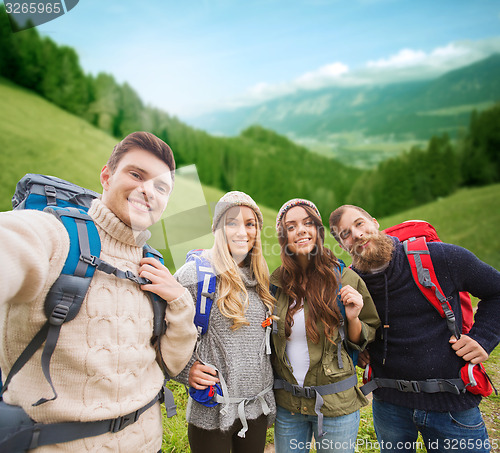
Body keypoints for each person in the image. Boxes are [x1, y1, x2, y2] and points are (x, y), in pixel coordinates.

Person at [0, 131, 198, 452]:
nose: (148, 190)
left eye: (161, 187)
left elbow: (173, 363)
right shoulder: (55, 234)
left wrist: (179, 300)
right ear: (106, 176)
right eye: (136, 174)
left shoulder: (153, 264)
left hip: (148, 443)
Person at [329, 204, 500, 453]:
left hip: (451, 404)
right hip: (389, 406)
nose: (356, 235)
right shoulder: (352, 283)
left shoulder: (439, 258)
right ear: (343, 246)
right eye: (345, 234)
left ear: (374, 223)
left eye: (359, 224)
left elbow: (496, 290)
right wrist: (361, 348)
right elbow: (353, 328)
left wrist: (484, 339)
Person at [271, 199, 380, 453]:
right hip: (288, 406)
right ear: (283, 236)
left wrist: (353, 318)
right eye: (291, 226)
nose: (301, 230)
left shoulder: (345, 278)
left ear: (318, 231)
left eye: (308, 223)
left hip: (336, 406)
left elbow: (366, 336)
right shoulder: (275, 285)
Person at [171, 191, 277, 453]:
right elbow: (158, 333)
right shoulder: (195, 275)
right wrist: (184, 371)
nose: (242, 231)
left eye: (250, 223)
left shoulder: (262, 280)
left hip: (256, 410)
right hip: (211, 412)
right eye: (232, 222)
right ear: (218, 228)